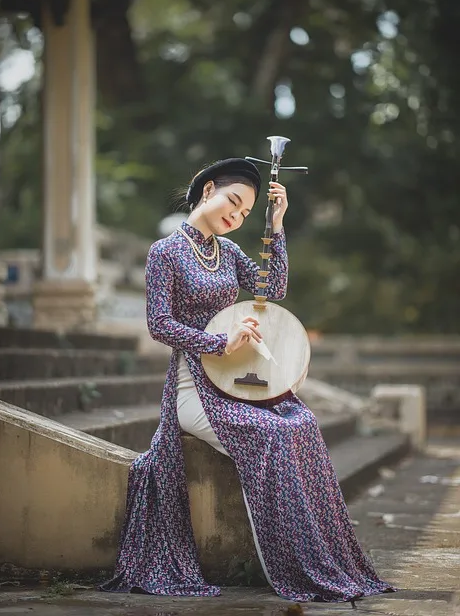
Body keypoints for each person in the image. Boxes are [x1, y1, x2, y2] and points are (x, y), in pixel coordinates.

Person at [100, 158, 395, 604]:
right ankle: (288, 564)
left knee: (301, 422)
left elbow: (272, 289)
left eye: (243, 214)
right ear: (208, 190)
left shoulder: (228, 251)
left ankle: (321, 558)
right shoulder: (166, 252)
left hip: (236, 379)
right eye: (233, 203)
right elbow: (160, 325)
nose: (234, 217)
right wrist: (220, 341)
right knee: (271, 435)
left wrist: (276, 224)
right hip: (192, 385)